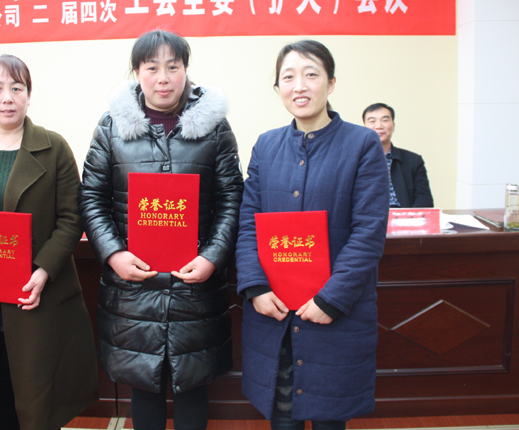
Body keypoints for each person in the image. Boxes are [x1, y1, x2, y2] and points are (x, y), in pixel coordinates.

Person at [79, 30, 243, 430]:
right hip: (133, 287)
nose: (164, 78)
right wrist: (114, 254)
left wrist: (212, 258)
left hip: (196, 285)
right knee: (144, 385)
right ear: (137, 72)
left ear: (186, 70)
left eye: (173, 66)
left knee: (193, 384)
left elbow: (231, 199)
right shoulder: (111, 127)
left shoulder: (215, 128)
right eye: (152, 68)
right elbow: (91, 198)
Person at [236, 40, 389, 430]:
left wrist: (330, 298)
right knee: (282, 417)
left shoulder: (362, 144)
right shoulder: (266, 145)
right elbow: (248, 221)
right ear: (278, 87)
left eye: (311, 75)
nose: (299, 86)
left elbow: (368, 232)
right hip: (274, 311)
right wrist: (255, 287)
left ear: (331, 83)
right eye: (288, 77)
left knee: (328, 419)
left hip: (334, 313)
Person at [0, 54, 98, 430]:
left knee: (39, 404)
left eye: (16, 88)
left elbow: (71, 218)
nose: (7, 97)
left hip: (39, 298)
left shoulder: (53, 147)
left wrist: (42, 271)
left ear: (29, 95)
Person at [362, 103, 434, 208]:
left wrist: (409, 216)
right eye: (372, 121)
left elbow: (424, 199)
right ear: (364, 128)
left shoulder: (413, 160)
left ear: (393, 126)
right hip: (368, 215)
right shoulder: (354, 160)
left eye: (385, 120)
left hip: (402, 215)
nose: (379, 126)